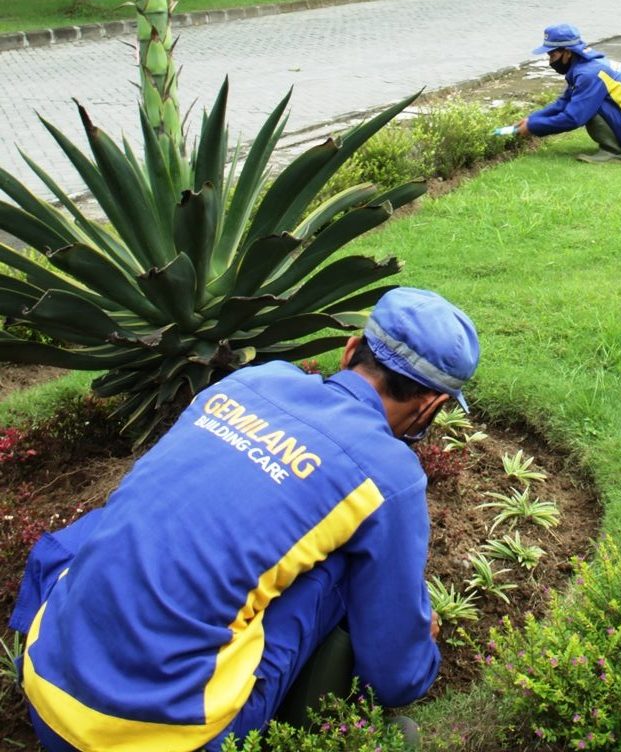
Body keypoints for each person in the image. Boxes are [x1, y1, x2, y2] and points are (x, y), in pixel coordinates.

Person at [8, 286, 480, 752]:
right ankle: (313, 733)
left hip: (47, 689)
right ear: (431, 408)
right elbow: (396, 678)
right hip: (164, 737)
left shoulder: (252, 381)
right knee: (343, 569)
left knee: (132, 516)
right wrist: (417, 644)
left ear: (351, 349)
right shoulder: (388, 475)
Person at [517, 23, 621, 164]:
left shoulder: (589, 74)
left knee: (587, 107)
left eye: (552, 55)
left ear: (567, 52)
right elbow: (564, 102)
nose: (550, 61)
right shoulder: (589, 66)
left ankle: (613, 153)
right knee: (583, 102)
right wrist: (532, 119)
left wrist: (534, 127)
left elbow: (573, 118)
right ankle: (613, 149)